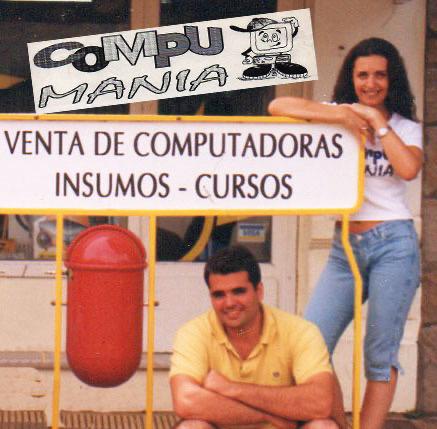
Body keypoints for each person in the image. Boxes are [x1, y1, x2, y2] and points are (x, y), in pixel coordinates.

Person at [268, 37, 423, 429]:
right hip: (345, 247)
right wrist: (342, 115)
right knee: (311, 343)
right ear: (351, 78)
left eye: (380, 75)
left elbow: (408, 169)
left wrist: (376, 122)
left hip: (393, 244)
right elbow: (278, 106)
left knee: (379, 353)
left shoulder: (404, 126)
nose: (371, 83)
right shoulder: (337, 114)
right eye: (362, 75)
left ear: (392, 79)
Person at [169, 245, 339, 429]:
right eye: (219, 295)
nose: (229, 303)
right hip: (273, 424)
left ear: (259, 291)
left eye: (239, 291)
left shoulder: (300, 331)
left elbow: (320, 401)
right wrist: (266, 416)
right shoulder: (193, 332)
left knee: (324, 427)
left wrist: (231, 388)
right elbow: (185, 401)